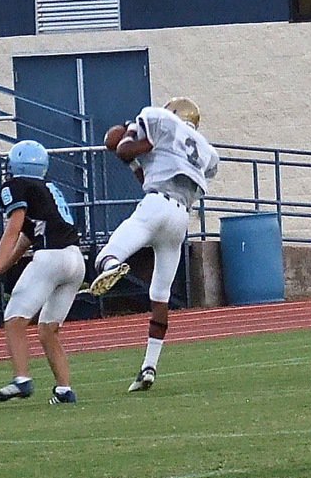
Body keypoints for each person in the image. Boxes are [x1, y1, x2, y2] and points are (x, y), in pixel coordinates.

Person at [88, 97, 219, 392]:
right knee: (160, 295)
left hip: (156, 204)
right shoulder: (206, 151)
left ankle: (113, 265)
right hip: (180, 219)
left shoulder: (158, 118)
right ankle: (149, 366)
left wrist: (128, 133)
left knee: (105, 255)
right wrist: (136, 161)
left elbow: (121, 147)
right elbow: (147, 170)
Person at [0, 140, 85, 405]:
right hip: (75, 260)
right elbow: (25, 239)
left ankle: (21, 380)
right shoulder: (49, 188)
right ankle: (64, 390)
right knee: (48, 330)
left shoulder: (16, 185)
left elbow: (14, 229)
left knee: (14, 320)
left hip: (50, 258)